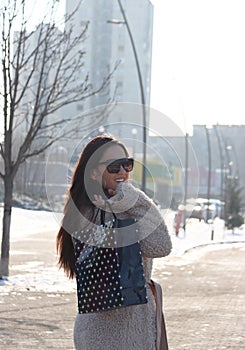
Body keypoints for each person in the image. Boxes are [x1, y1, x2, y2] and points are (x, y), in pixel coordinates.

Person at [57, 134, 172, 350]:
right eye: (113, 166)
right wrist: (129, 200)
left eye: (126, 165)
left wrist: (127, 200)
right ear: (93, 172)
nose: (122, 172)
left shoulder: (121, 205)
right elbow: (158, 244)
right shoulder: (89, 213)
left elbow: (162, 245)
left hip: (131, 327)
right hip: (109, 333)